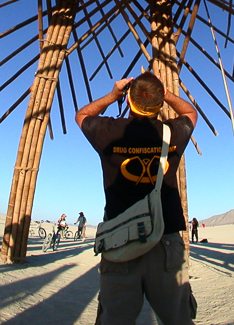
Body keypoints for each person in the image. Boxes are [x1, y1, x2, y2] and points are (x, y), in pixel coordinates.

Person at [76, 72, 198, 325]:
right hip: (165, 240)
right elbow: (191, 113)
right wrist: (166, 94)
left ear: (129, 100)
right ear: (160, 102)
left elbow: (82, 115)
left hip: (120, 239)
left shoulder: (109, 131)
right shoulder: (172, 133)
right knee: (178, 319)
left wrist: (112, 95)